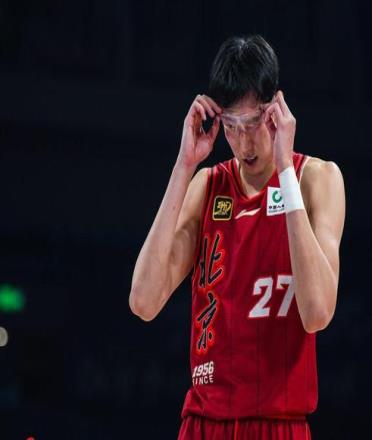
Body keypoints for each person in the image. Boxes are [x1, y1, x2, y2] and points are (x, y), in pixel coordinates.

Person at [129, 34, 346, 439]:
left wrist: (284, 169)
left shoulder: (316, 179)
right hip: (204, 423)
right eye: (231, 126)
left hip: (278, 424)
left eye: (253, 123)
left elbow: (317, 312)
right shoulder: (206, 186)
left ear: (276, 110)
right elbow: (143, 301)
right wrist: (184, 165)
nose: (244, 143)